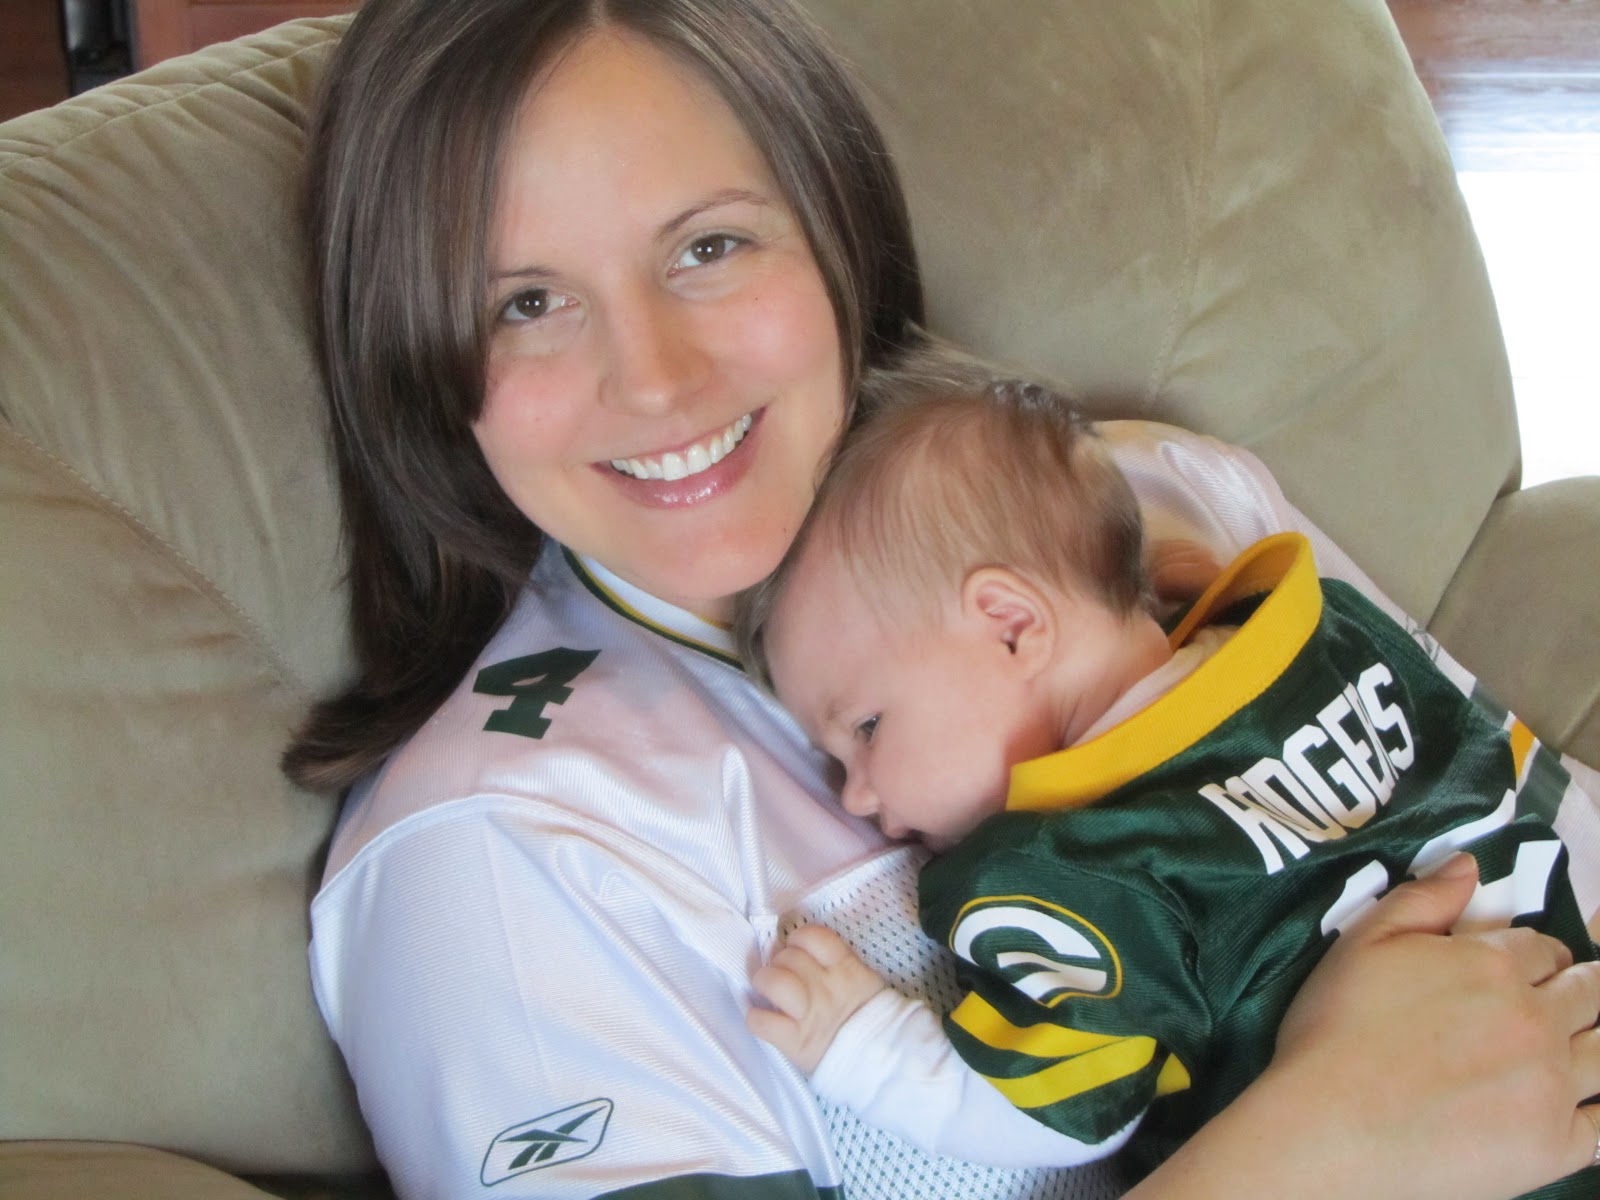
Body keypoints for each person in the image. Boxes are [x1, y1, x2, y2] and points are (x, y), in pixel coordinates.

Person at [282, 1, 1600, 1197]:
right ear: (417, 359)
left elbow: (1536, 820)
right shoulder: (499, 856)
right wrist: (1324, 1144)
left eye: (708, 246)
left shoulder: (1148, 495)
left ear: (831, 224)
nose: (656, 379)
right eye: (525, 303)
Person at [733, 344, 1600, 1195]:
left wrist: (862, 1042)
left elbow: (1057, 1116)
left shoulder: (1069, 871)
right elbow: (1510, 775)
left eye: (867, 728)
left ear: (1012, 626)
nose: (856, 793)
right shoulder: (1322, 633)